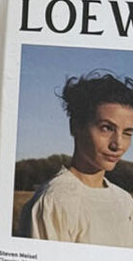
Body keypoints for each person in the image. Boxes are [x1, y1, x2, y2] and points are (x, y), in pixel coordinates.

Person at [20, 70, 133, 247]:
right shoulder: (54, 200)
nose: (117, 144)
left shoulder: (125, 201)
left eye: (127, 133)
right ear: (75, 126)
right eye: (106, 128)